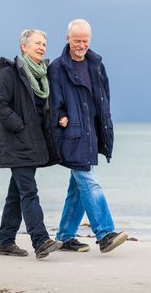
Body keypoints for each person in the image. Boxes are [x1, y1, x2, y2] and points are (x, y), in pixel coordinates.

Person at [48, 19, 128, 253]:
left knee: (78, 186)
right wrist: (61, 116)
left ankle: (65, 236)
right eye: (77, 40)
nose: (81, 45)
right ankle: (104, 234)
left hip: (93, 133)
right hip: (71, 134)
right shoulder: (57, 68)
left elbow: (104, 97)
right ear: (67, 40)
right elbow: (53, 102)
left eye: (85, 40)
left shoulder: (96, 64)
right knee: (89, 181)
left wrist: (106, 125)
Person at [0, 29, 62, 260]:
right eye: (37, 43)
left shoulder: (43, 76)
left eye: (44, 43)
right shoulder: (10, 73)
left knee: (16, 194)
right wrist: (21, 127)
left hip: (33, 144)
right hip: (17, 144)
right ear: (24, 46)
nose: (42, 47)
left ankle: (5, 241)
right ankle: (40, 241)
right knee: (29, 192)